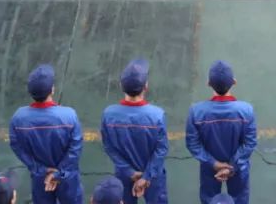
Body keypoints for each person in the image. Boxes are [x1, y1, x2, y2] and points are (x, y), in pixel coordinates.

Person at [9, 65, 84, 204]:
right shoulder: (69, 115)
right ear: (52, 90)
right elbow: (75, 148)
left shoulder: (18, 118)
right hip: (67, 177)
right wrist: (59, 173)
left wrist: (40, 169)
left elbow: (16, 146)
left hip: (40, 178)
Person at [185, 60, 257, 204]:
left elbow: (193, 144)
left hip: (209, 168)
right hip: (238, 167)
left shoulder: (196, 112)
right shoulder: (246, 111)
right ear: (234, 82)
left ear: (208, 83)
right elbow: (250, 143)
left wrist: (213, 163)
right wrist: (232, 166)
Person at [100, 58, 168, 204]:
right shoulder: (157, 115)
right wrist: (146, 176)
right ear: (146, 86)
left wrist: (129, 172)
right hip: (153, 175)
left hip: (124, 175)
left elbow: (109, 147)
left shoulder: (109, 115)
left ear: (121, 86)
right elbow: (161, 149)